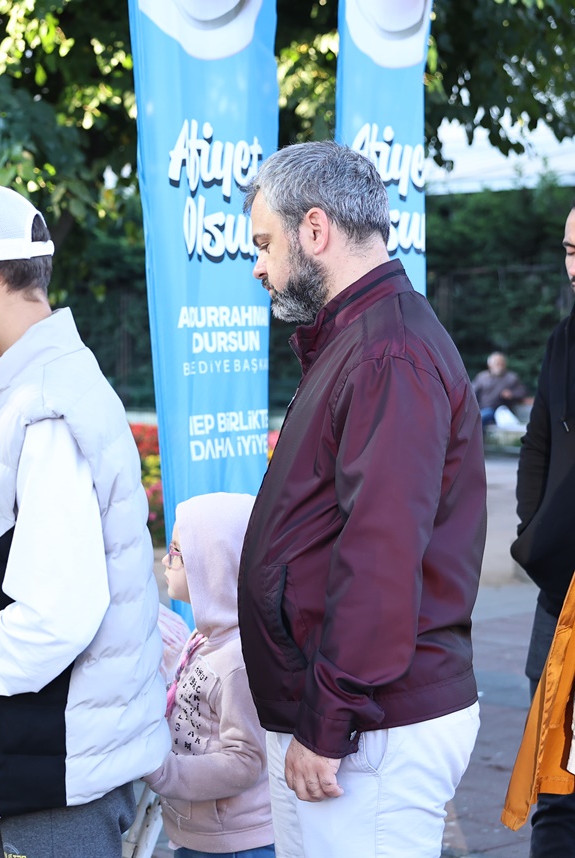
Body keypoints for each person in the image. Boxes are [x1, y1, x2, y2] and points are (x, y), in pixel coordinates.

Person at [0, 184, 168, 857]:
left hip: (56, 788)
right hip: (39, 772)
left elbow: (56, 618)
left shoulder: (44, 409)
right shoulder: (30, 392)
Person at [236, 141, 486, 857]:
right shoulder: (364, 341)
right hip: (356, 720)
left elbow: (381, 554)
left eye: (265, 243)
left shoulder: (386, 352)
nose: (259, 264)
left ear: (315, 231)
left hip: (371, 726)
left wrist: (329, 721)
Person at [503, 199, 575, 854]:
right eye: (570, 251)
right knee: (556, 792)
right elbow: (537, 449)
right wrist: (537, 535)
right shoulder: (563, 339)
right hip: (561, 600)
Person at [146, 493, 274, 858]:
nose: (166, 562)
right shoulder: (205, 637)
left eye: (177, 551)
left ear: (215, 562)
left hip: (236, 845)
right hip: (200, 835)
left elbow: (246, 760)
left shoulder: (239, 660)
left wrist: (164, 773)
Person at [471, 351, 526, 426]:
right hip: (479, 409)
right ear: (490, 365)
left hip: (498, 411)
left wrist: (511, 394)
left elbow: (522, 392)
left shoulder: (511, 378)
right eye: (497, 364)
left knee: (480, 417)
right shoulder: (482, 377)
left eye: (502, 364)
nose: (500, 366)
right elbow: (472, 393)